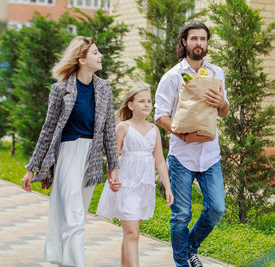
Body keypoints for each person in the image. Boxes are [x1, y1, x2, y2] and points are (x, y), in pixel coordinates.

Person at [21, 36, 120, 267]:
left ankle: (63, 259)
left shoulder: (104, 88)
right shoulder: (61, 89)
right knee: (74, 216)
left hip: (91, 158)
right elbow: (48, 130)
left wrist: (113, 167)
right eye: (95, 52)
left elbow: (108, 131)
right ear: (81, 58)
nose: (100, 56)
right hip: (67, 154)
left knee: (77, 216)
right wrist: (32, 168)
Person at [154, 21, 230, 267]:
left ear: (207, 43)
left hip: (210, 155)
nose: (199, 43)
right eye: (194, 38)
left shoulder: (216, 73)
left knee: (217, 208)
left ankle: (190, 247)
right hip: (182, 157)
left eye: (203, 38)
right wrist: (184, 135)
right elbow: (160, 116)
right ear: (184, 42)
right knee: (181, 216)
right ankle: (182, 264)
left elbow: (225, 112)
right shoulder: (172, 76)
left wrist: (221, 102)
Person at [96, 84, 174, 267]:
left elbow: (160, 161)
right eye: (142, 101)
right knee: (132, 233)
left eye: (149, 101)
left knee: (130, 234)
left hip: (144, 186)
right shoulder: (123, 127)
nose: (147, 104)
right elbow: (113, 156)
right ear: (130, 105)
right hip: (126, 184)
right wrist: (112, 176)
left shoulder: (154, 130)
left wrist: (168, 187)